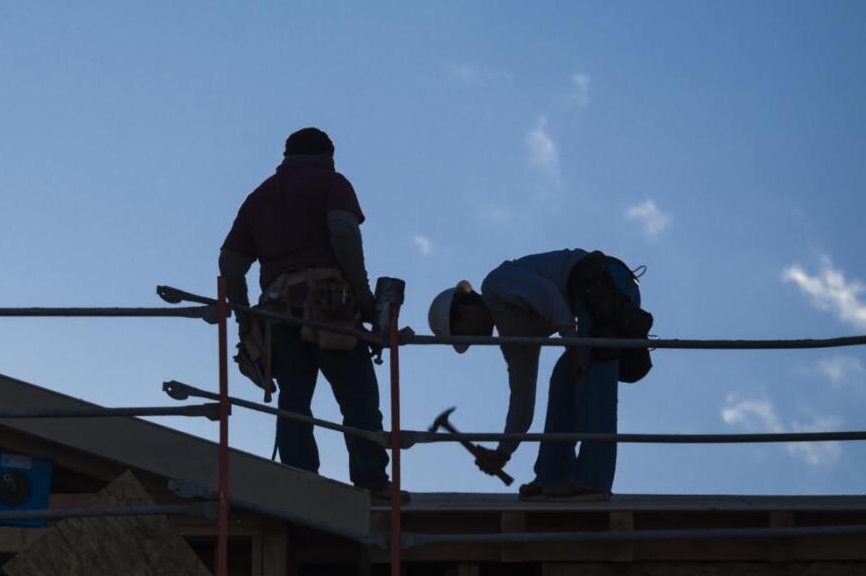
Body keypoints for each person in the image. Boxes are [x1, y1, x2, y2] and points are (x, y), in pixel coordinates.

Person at [219, 128, 391, 497]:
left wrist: (245, 319)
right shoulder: (332, 182)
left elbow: (231, 263)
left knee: (294, 402)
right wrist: (362, 296)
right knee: (358, 400)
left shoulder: (260, 196)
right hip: (330, 307)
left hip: (278, 313)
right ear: (329, 154)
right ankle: (372, 484)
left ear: (286, 156)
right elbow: (344, 234)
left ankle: (298, 485)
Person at [428, 250, 653, 500]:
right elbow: (522, 401)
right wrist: (503, 453)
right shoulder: (513, 339)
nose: (474, 340)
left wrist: (572, 342)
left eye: (463, 335)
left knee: (591, 366)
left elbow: (547, 294)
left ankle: (593, 480)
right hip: (592, 294)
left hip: (602, 282)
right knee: (563, 377)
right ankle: (551, 478)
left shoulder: (495, 285)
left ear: (463, 311)